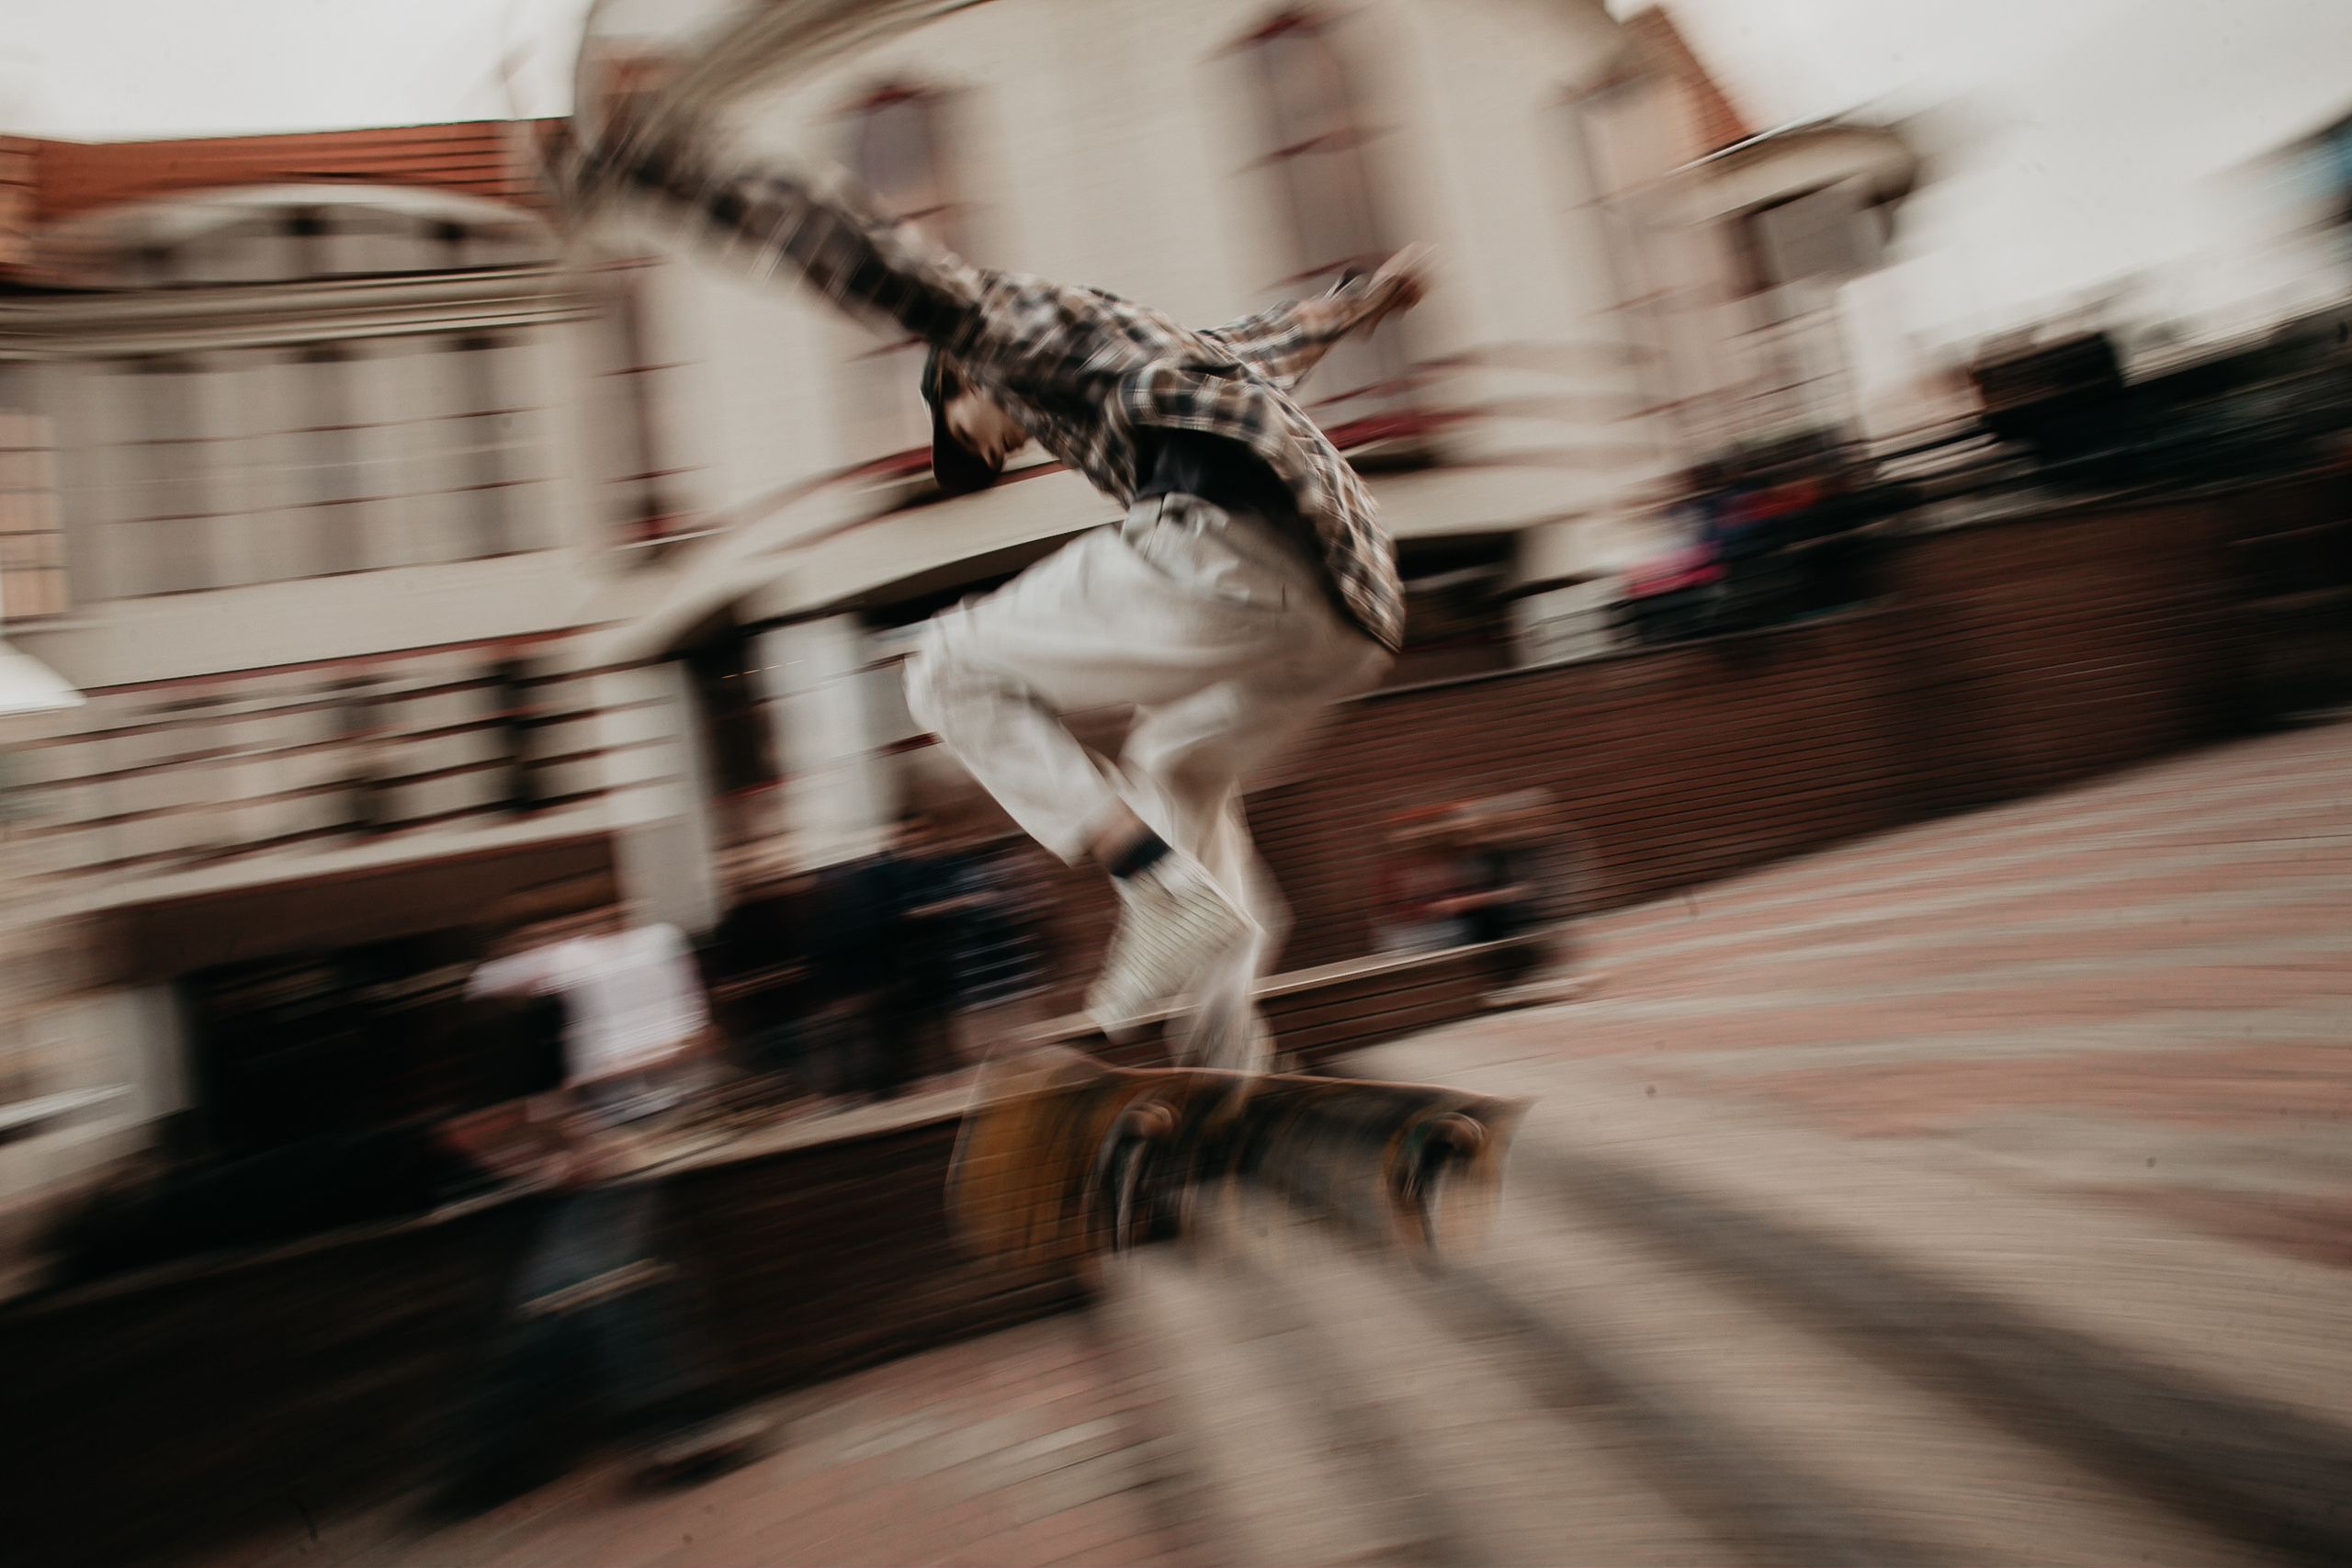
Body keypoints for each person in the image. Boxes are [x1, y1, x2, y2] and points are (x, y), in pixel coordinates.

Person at [558, 99, 1428, 1074]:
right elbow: (1289, 330)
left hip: (1231, 548)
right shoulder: (1171, 348)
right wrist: (1374, 294)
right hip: (1353, 612)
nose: (986, 446)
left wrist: (667, 167)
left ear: (961, 378)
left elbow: (871, 258)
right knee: (1176, 763)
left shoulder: (1008, 336)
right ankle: (1229, 1055)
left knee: (945, 668)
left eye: (963, 427)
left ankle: (1153, 887)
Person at [445, 908, 763, 1506]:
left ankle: (488, 1460)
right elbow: (482, 1123)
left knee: (563, 1306)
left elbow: (555, 1099)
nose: (560, 948)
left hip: (555, 1182)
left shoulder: (542, 1013)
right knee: (604, 1296)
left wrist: (580, 1143)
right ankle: (668, 1429)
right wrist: (555, 1160)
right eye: (540, 941)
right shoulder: (497, 1021)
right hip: (527, 1191)